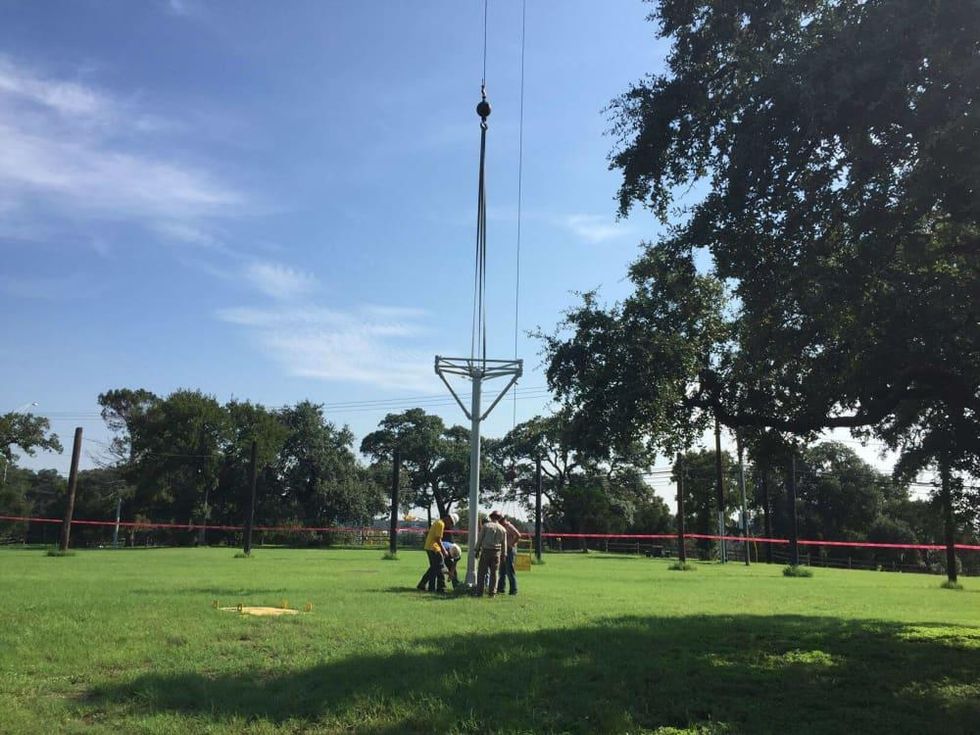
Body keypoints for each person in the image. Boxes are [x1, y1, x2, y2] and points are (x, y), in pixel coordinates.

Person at [418, 512, 457, 593]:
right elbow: (438, 539)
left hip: (429, 547)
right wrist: (444, 550)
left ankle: (425, 585)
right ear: (448, 519)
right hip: (434, 548)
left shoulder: (437, 522)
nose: (450, 525)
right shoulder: (440, 524)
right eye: (451, 523)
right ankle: (439, 588)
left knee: (434, 568)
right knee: (439, 567)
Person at [473, 512, 508, 597]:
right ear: (499, 518)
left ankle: (479, 592)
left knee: (481, 572)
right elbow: (504, 544)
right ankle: (492, 593)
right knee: (494, 573)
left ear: (491, 517)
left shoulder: (486, 526)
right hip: (496, 553)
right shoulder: (503, 529)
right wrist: (504, 555)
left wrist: (477, 550)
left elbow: (480, 538)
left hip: (486, 551)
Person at [493, 511, 522, 596]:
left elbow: (518, 535)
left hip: (510, 550)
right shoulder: (501, 526)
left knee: (510, 571)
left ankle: (513, 590)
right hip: (503, 550)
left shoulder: (509, 526)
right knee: (502, 571)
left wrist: (511, 544)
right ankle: (501, 589)